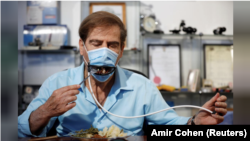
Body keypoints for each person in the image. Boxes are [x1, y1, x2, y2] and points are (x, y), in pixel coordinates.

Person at [18, 11, 227, 137]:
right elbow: (17, 130)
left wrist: (194, 123)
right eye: (96, 43)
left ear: (121, 50)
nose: (104, 51)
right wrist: (44, 112)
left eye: (112, 45)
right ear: (82, 46)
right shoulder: (57, 83)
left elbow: (169, 124)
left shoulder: (141, 86)